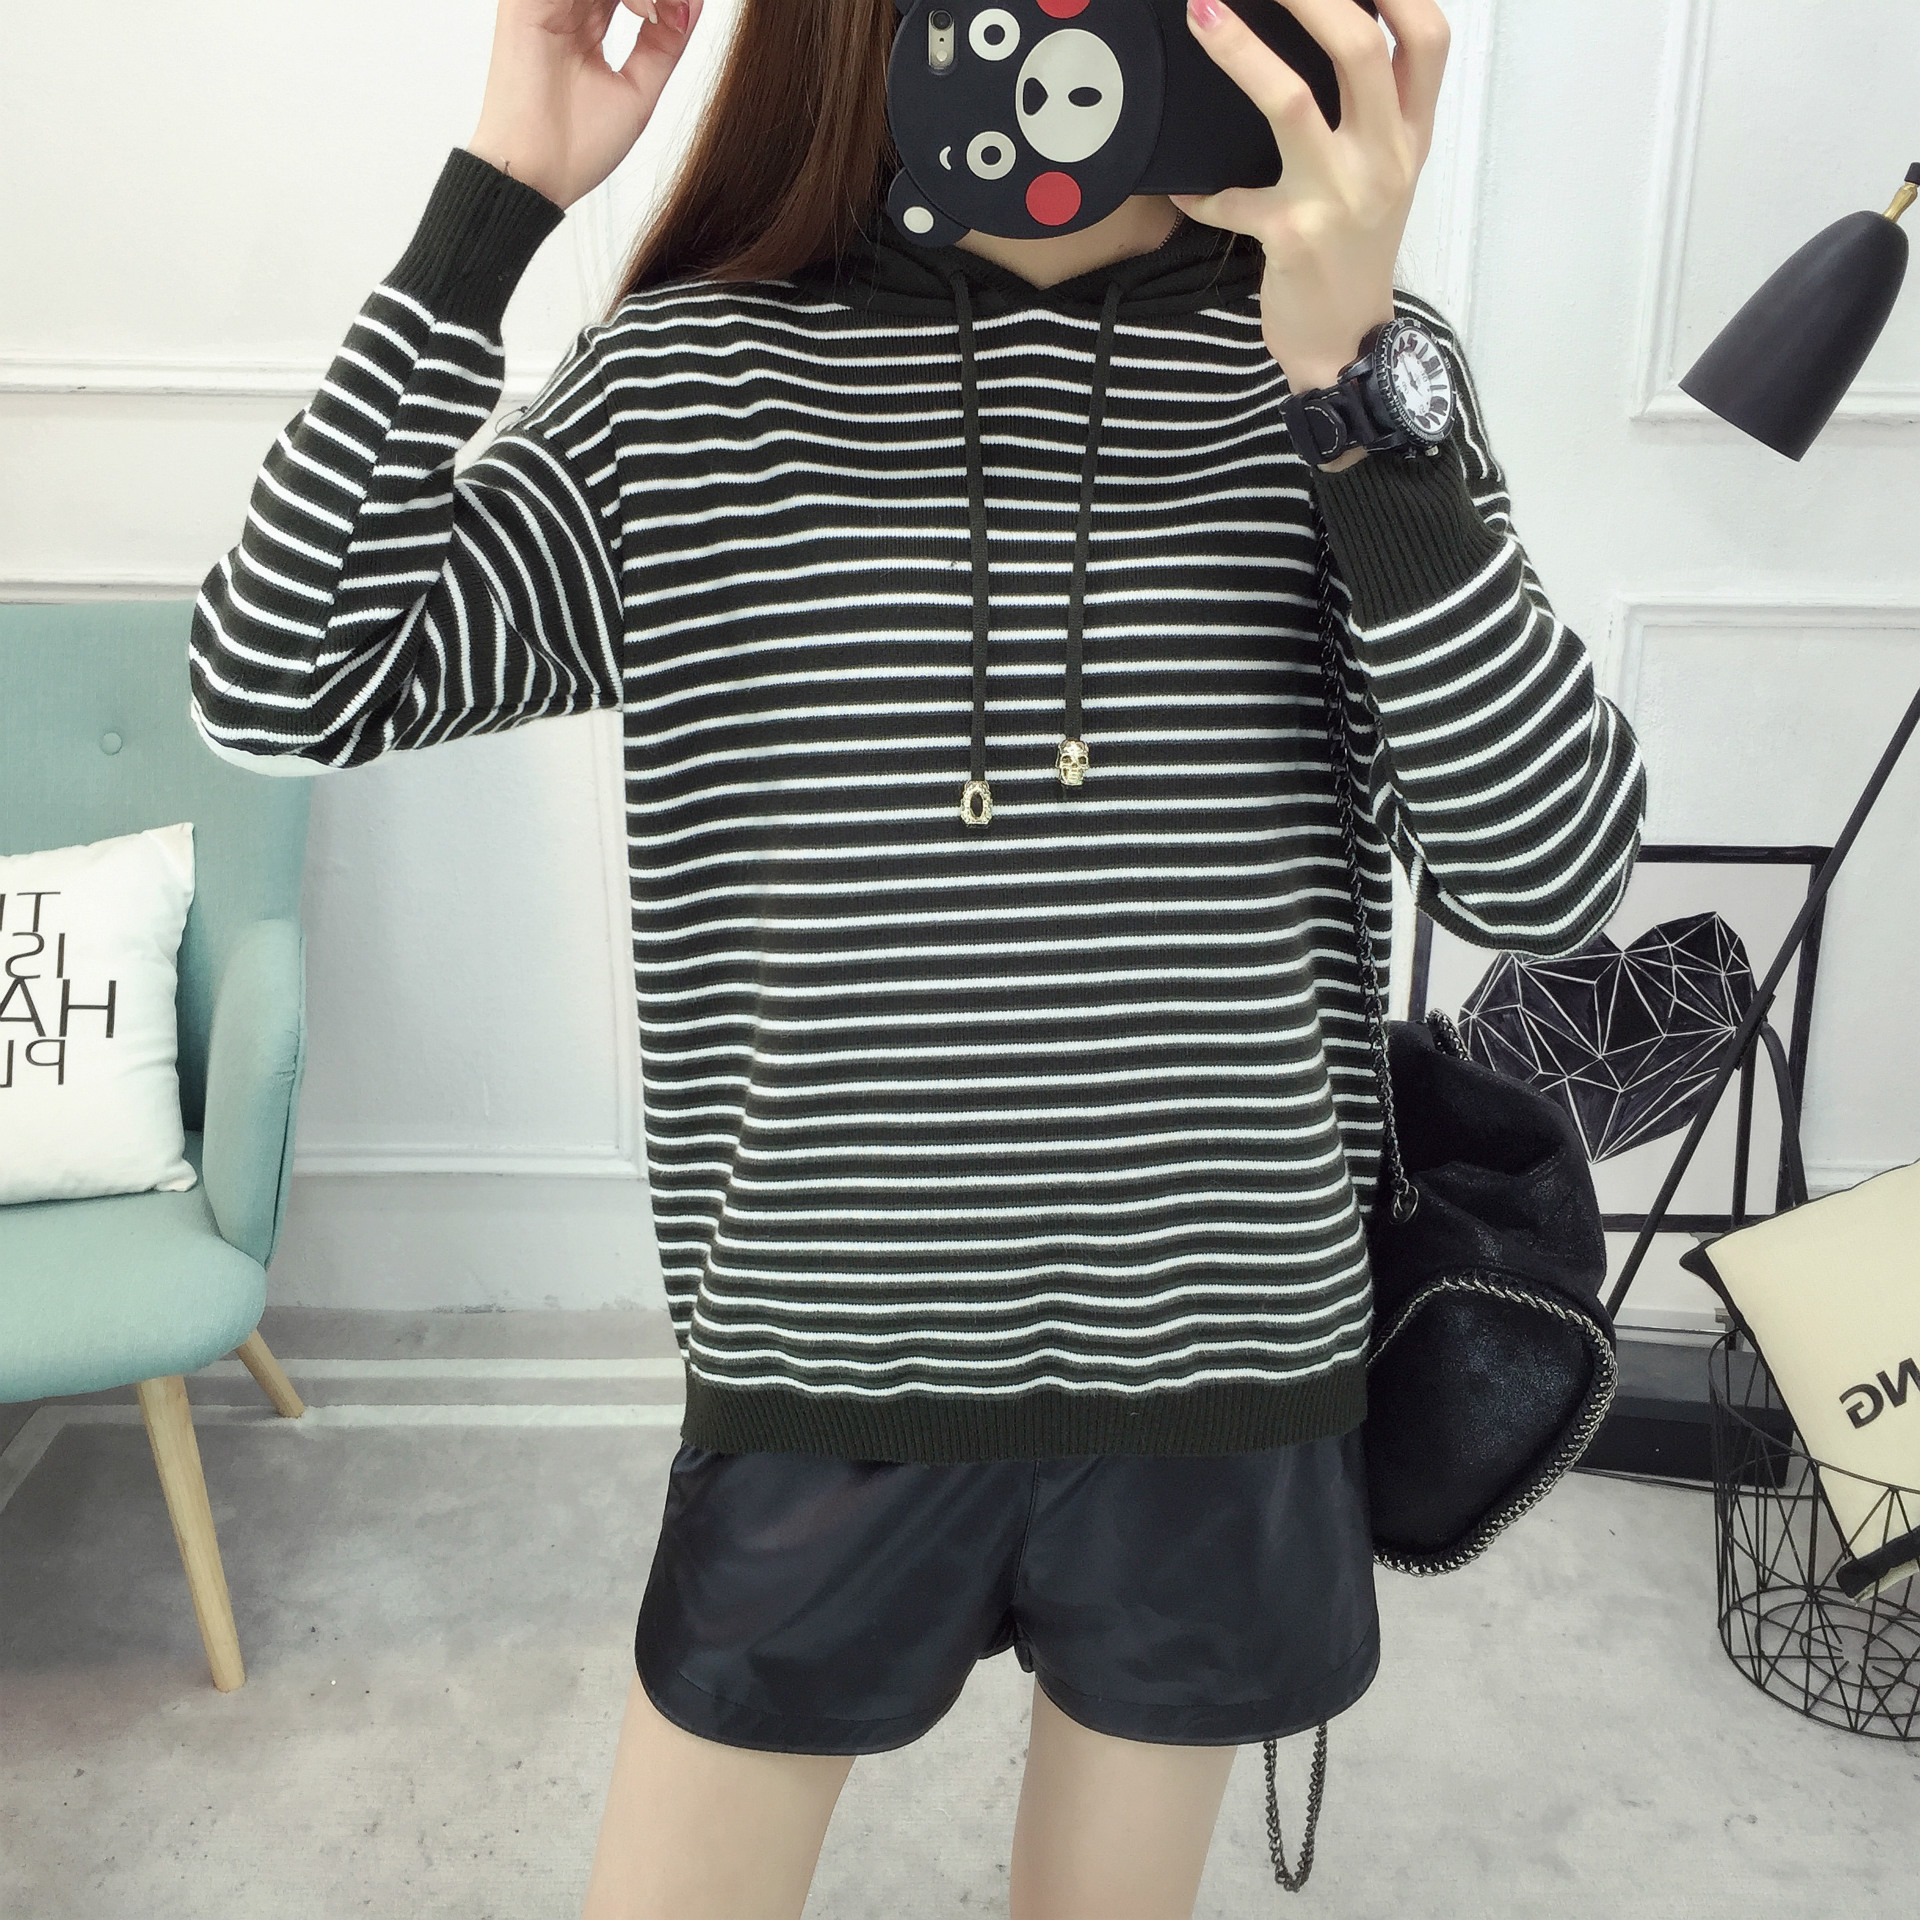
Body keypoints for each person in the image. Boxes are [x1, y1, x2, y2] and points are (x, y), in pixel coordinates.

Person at [186, 0, 1647, 1914]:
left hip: (1220, 1375)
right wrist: (499, 199)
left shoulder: (1349, 376)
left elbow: (1549, 875)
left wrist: (1353, 381)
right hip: (826, 1369)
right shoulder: (699, 378)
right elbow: (279, 678)